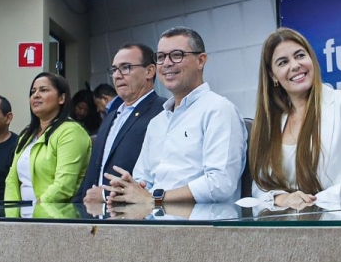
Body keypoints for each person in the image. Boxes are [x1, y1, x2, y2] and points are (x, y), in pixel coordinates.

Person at [104, 27, 246, 205]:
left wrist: (155, 198)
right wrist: (128, 191)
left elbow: (221, 184)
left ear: (201, 60)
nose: (167, 63)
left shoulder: (219, 110)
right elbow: (143, 179)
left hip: (201, 228)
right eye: (161, 57)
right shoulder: (157, 122)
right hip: (155, 223)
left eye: (177, 55)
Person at [250, 28, 341, 208]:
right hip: (292, 229)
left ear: (311, 59)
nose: (295, 65)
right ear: (273, 75)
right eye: (283, 62)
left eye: (300, 55)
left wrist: (310, 203)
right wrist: (279, 199)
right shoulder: (273, 122)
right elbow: (260, 184)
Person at [80, 43, 164, 202]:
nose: (117, 75)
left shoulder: (162, 111)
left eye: (125, 68)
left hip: (135, 217)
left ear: (149, 71)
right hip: (95, 216)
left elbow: (161, 174)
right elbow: (94, 171)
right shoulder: (111, 116)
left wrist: (106, 196)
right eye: (114, 70)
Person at [3, 73, 91, 204]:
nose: (36, 95)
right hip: (22, 218)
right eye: (33, 92)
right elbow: (11, 180)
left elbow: (64, 185)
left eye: (43, 90)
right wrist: (12, 217)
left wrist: (37, 213)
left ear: (61, 98)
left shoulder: (71, 131)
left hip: (53, 218)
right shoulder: (27, 134)